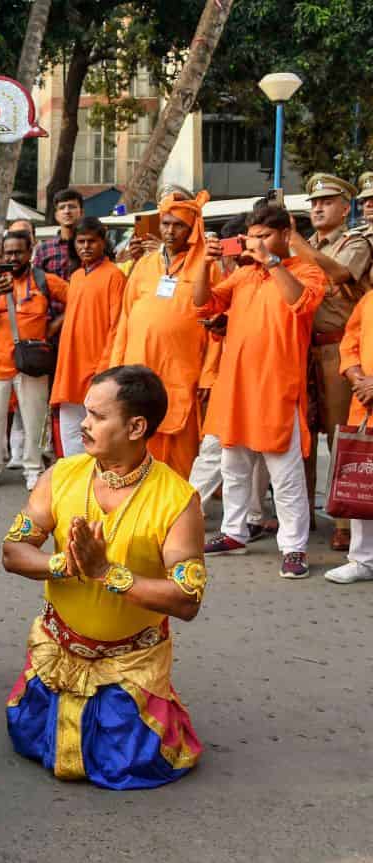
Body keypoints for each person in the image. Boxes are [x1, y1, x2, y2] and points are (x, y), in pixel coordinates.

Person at [2, 365, 205, 789]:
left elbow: (186, 599)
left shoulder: (177, 500)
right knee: (28, 735)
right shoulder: (60, 475)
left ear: (136, 426)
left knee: (134, 760)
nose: (84, 424)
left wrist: (107, 573)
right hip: (57, 650)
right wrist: (64, 564)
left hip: (129, 664)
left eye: (97, 415)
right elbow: (12, 551)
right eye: (86, 413)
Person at [194, 203, 327, 578]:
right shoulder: (244, 276)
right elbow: (202, 303)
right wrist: (205, 264)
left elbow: (299, 303)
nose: (257, 243)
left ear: (286, 234)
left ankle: (294, 547)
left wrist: (271, 262)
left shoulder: (308, 271)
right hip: (236, 385)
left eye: (265, 236)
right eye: (252, 237)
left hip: (276, 387)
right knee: (232, 465)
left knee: (284, 473)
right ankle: (233, 532)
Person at [290, 174, 373, 552]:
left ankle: (344, 518)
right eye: (314, 203)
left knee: (342, 435)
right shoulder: (305, 244)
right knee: (302, 435)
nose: (318, 208)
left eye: (326, 201)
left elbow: (339, 274)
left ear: (345, 207)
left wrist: (292, 242)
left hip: (337, 348)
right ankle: (300, 514)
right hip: (303, 348)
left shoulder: (354, 242)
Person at [108, 190, 215, 478]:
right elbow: (125, 320)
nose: (170, 231)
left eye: (178, 225)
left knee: (180, 444)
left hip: (183, 371)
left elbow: (218, 323)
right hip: (139, 368)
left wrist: (209, 373)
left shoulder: (207, 265)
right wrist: (116, 367)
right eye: (166, 223)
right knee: (137, 432)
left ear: (192, 229)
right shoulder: (144, 265)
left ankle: (178, 509)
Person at [186, 215, 277, 544]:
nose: (236, 250)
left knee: (263, 452)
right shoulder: (232, 274)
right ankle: (188, 512)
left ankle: (253, 517)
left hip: (265, 378)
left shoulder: (272, 272)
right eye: (232, 244)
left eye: (243, 241)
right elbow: (201, 307)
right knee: (217, 450)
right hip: (225, 376)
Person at [0, 229, 68, 491]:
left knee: (35, 418)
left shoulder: (44, 280)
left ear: (30, 252)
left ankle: (33, 468)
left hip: (32, 361)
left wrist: (52, 328)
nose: (13, 257)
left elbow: (77, 300)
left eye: (19, 252)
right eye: (9, 252)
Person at [50, 217, 126, 458]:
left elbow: (117, 326)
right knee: (70, 432)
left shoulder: (114, 275)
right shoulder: (77, 276)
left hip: (96, 367)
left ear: (103, 242)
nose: (85, 247)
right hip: (70, 367)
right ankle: (75, 484)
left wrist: (105, 368)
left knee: (97, 432)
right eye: (80, 242)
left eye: (91, 241)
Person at [327, 286, 373, 583]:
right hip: (366, 404)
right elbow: (350, 341)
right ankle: (363, 559)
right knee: (364, 483)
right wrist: (357, 377)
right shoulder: (369, 299)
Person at [34, 189, 82, 282]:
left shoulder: (89, 245)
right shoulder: (44, 249)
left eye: (72, 206)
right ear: (56, 215)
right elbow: (37, 283)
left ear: (81, 212)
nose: (67, 211)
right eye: (62, 208)